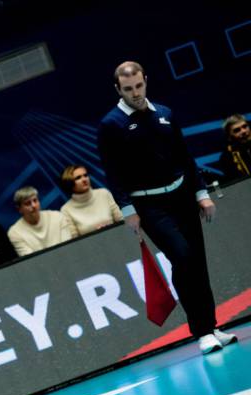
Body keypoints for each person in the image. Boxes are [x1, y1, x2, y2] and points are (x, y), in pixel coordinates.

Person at [97, 61, 237, 354]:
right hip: (149, 205)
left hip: (182, 196)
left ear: (146, 80)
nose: (136, 93)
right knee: (182, 257)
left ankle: (212, 327)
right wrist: (127, 210)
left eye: (139, 85)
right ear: (118, 89)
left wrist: (201, 193)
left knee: (197, 262)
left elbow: (185, 157)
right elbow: (112, 172)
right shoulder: (111, 125)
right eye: (128, 89)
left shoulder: (164, 113)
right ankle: (201, 332)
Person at [7, 186, 73, 256]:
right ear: (19, 209)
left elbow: (69, 247)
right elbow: (32, 259)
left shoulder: (58, 217)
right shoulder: (15, 232)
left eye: (35, 200)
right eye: (28, 203)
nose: (33, 205)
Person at [59, 164, 122, 237]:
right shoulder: (66, 209)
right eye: (78, 178)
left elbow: (121, 220)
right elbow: (74, 240)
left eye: (85, 175)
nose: (84, 179)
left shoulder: (103, 193)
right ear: (69, 183)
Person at [218, 113, 251, 182]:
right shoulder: (227, 157)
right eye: (237, 130)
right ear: (229, 136)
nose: (243, 131)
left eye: (245, 126)